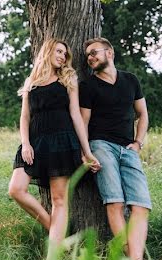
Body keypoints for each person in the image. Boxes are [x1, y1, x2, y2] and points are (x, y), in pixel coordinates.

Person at [8, 38, 100, 248]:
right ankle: (56, 231)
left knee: (59, 200)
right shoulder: (31, 81)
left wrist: (86, 151)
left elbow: (76, 115)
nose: (62, 56)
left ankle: (53, 254)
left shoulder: (68, 78)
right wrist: (26, 143)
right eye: (58, 51)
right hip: (35, 143)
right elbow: (24, 117)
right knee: (15, 189)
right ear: (47, 51)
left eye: (64, 54)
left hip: (62, 141)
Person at [79, 37, 152, 260]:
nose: (90, 57)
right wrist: (86, 152)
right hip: (101, 145)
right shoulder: (88, 86)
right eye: (88, 55)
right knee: (115, 202)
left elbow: (142, 114)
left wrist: (138, 142)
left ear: (109, 53)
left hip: (128, 148)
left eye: (94, 52)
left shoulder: (130, 80)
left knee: (141, 205)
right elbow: (83, 122)